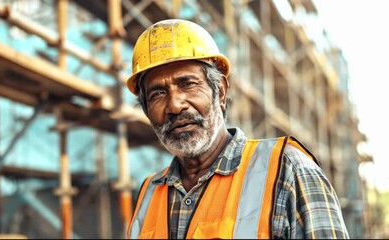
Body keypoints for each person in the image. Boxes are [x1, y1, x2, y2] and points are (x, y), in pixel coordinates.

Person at [125, 19, 349, 239]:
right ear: (146, 111)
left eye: (188, 84)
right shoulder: (149, 193)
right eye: (157, 94)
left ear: (220, 92)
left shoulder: (287, 169)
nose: (175, 105)